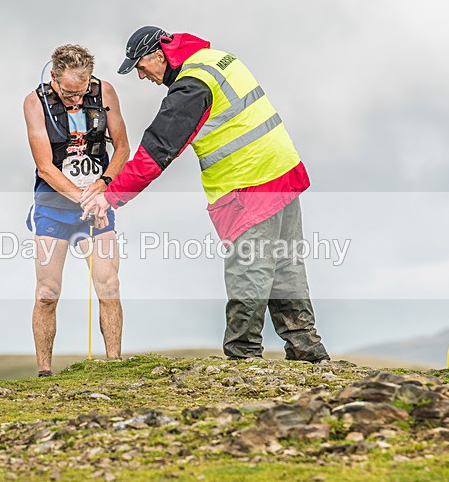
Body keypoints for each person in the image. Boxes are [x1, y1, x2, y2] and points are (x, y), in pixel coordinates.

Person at [82, 27, 329, 363]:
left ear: (160, 53)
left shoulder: (191, 86)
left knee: (249, 267)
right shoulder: (215, 60)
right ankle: (306, 348)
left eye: (141, 66)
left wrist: (111, 196)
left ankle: (243, 355)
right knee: (286, 264)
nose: (142, 76)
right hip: (281, 171)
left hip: (248, 181)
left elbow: (158, 150)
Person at [23, 44, 130, 376]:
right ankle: (44, 372)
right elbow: (45, 168)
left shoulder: (105, 92)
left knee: (109, 284)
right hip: (53, 207)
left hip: (98, 204)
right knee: (47, 292)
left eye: (81, 92)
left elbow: (122, 147)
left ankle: (114, 363)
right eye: (69, 94)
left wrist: (104, 186)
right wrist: (85, 198)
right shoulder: (34, 102)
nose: (76, 100)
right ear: (54, 78)